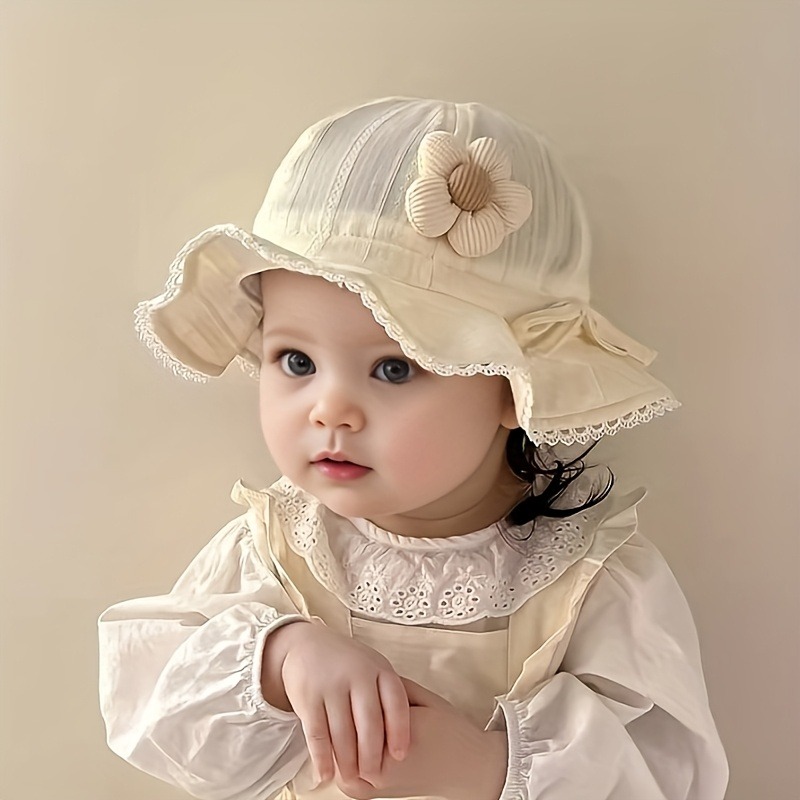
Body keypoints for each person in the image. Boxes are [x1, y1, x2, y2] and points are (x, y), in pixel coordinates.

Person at [98, 97, 729, 800]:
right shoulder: (277, 548)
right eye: (297, 362)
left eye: (394, 369)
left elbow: (667, 772)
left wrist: (493, 767)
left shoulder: (588, 579)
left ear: (512, 389)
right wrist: (279, 659)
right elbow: (151, 704)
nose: (329, 409)